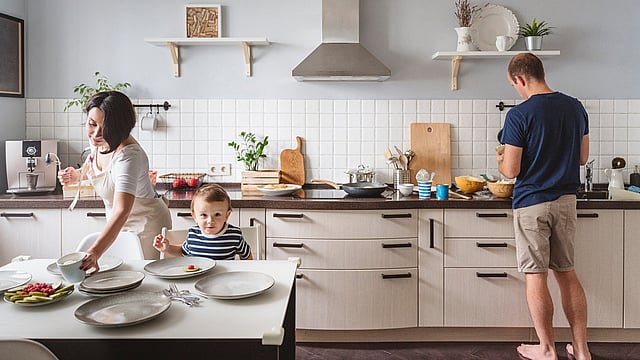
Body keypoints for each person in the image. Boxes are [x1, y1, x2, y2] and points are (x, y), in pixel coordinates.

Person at [496, 53, 591, 360]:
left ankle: (547, 349)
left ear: (519, 79)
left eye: (514, 85)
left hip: (531, 204)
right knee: (567, 274)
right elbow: (582, 158)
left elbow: (510, 171)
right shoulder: (575, 107)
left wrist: (501, 161)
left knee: (536, 276)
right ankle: (581, 350)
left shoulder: (519, 115)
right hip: (565, 202)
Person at [58, 91, 172, 269]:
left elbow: (122, 210)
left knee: (143, 279)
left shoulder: (129, 156)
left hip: (145, 225)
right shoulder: (100, 141)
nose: (96, 133)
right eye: (91, 124)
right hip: (117, 224)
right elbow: (95, 164)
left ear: (120, 127)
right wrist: (77, 175)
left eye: (105, 128)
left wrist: (95, 251)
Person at [153, 183, 253, 260]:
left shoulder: (235, 235)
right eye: (204, 215)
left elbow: (246, 255)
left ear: (227, 215)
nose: (210, 221)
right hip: (197, 280)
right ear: (195, 216)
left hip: (223, 282)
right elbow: (183, 251)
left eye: (217, 215)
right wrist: (167, 248)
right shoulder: (192, 234)